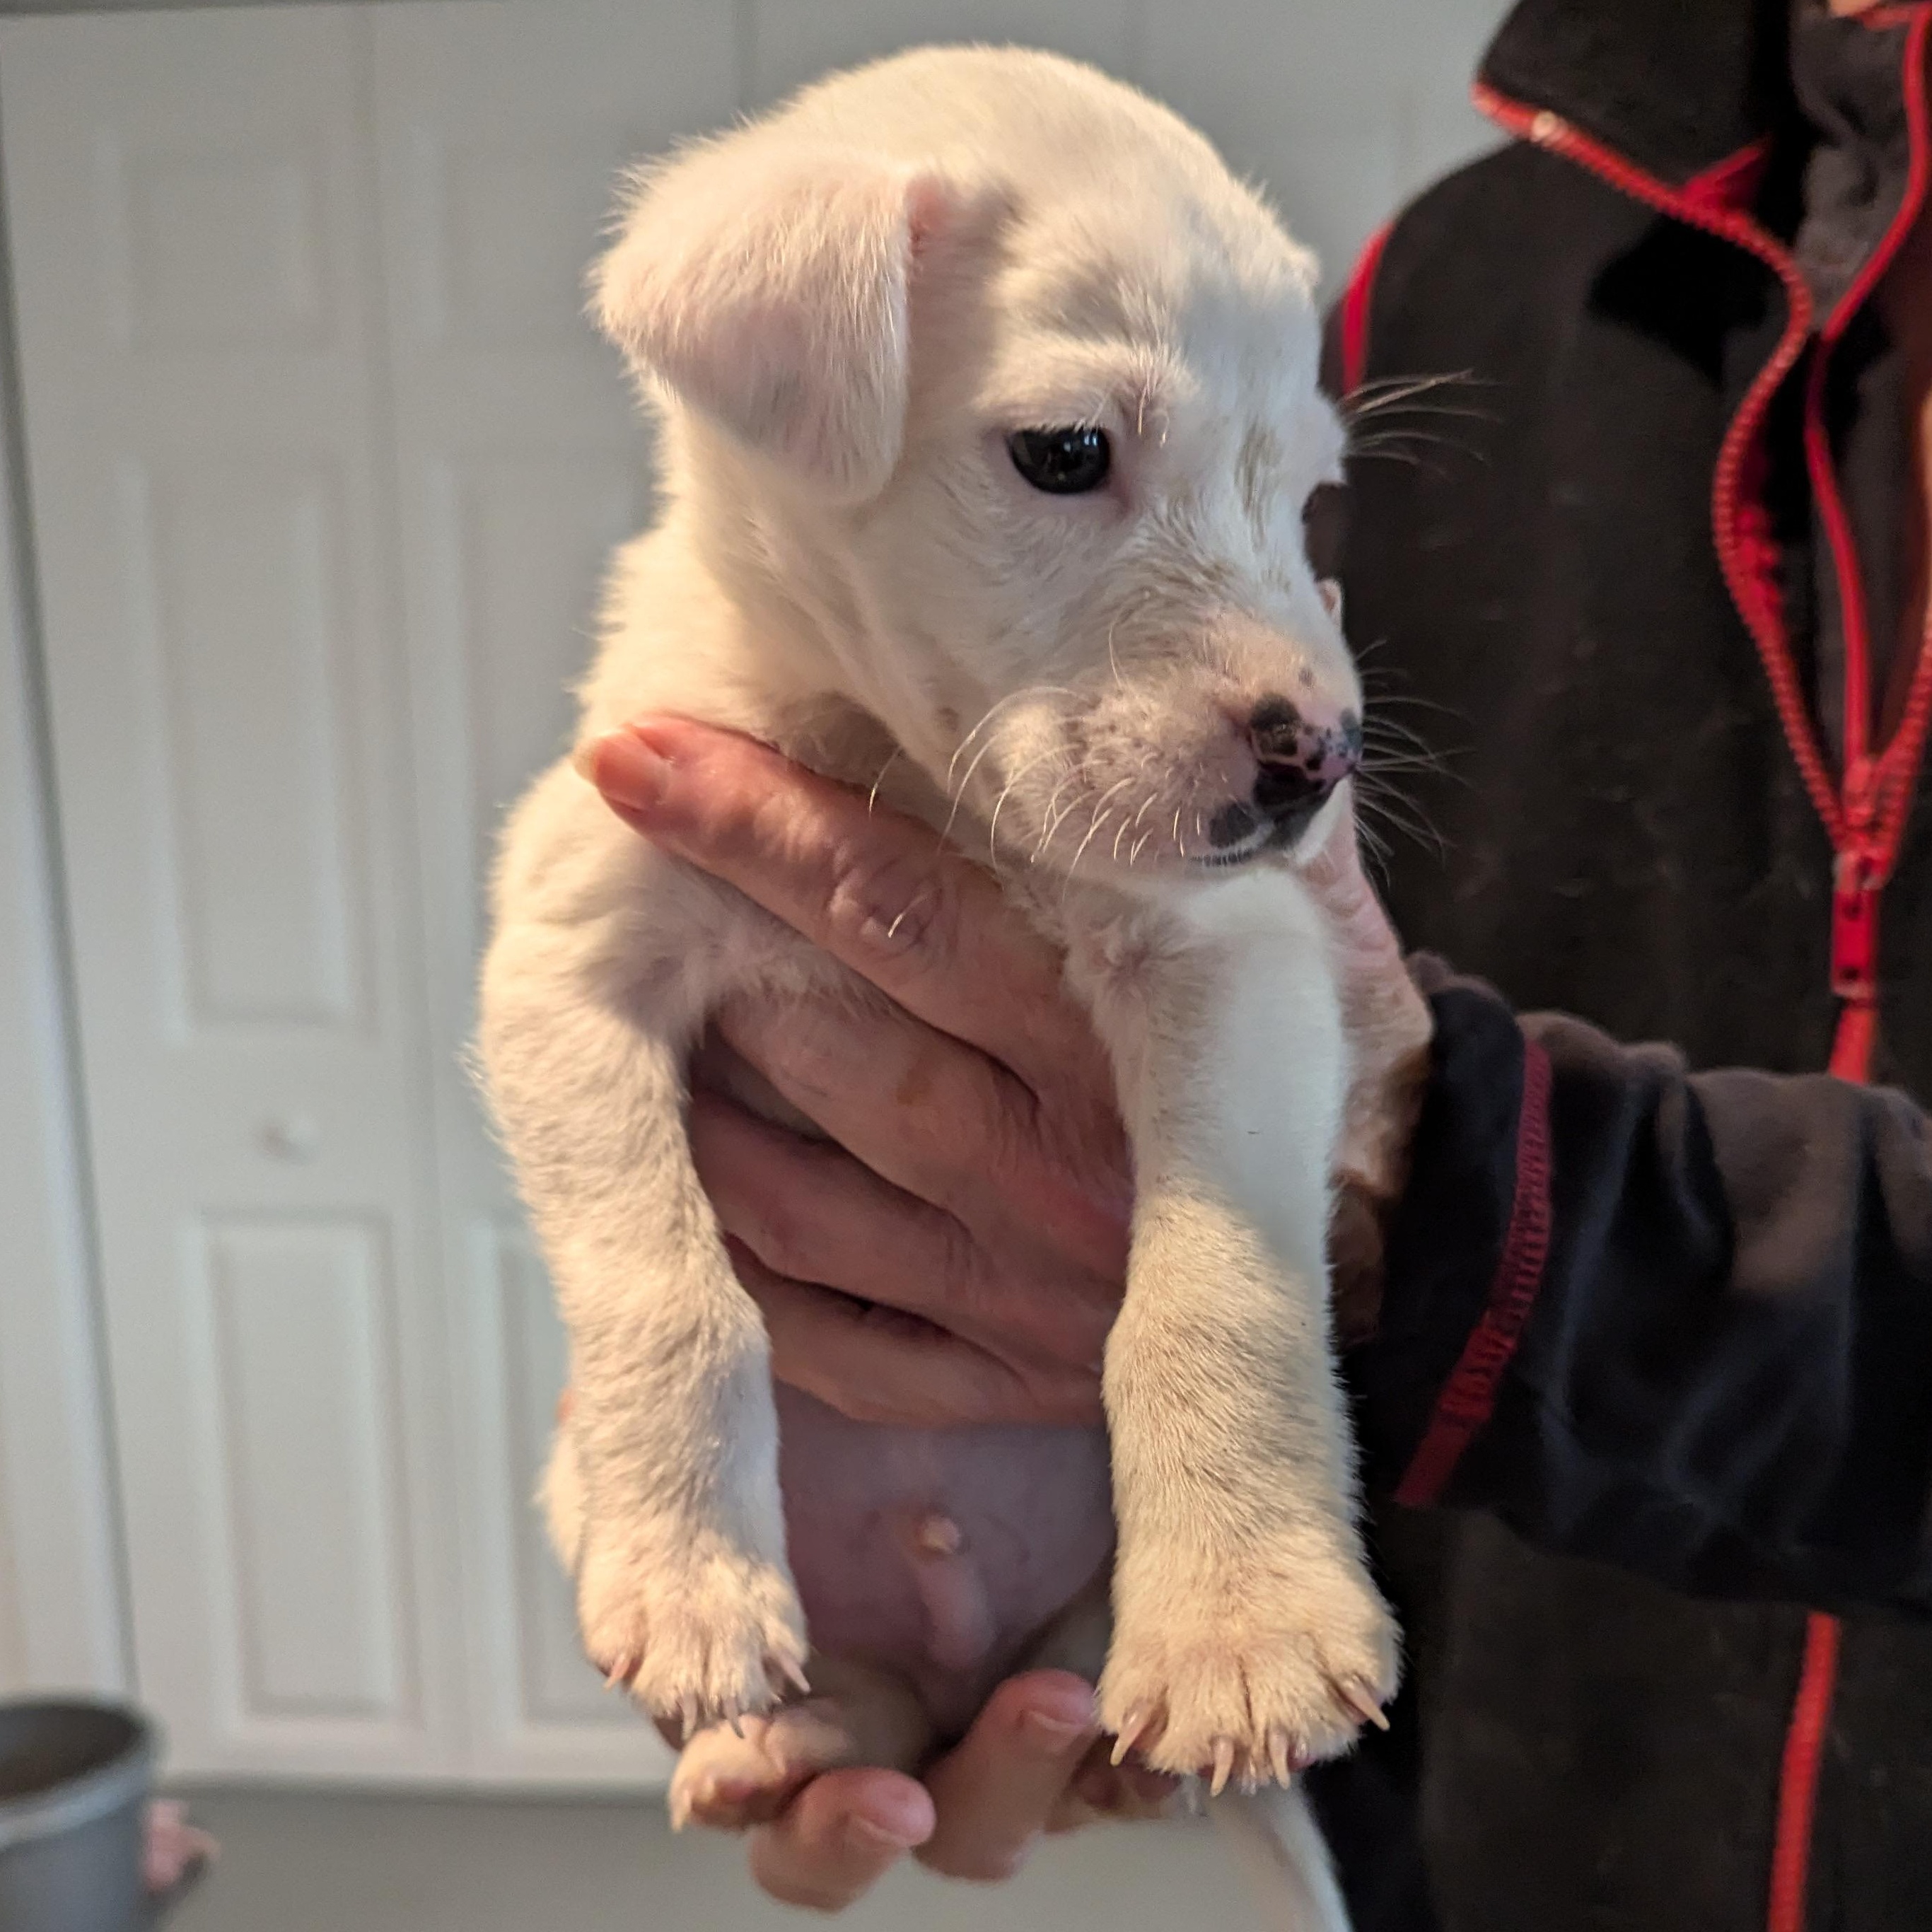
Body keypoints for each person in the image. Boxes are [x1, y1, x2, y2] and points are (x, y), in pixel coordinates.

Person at [576, 0, 1932, 1924]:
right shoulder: (1470, 266)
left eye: (1307, 511)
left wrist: (1451, 1233)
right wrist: (767, 1475)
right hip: (1482, 1819)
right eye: (1065, 450)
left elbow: (1329, 1028)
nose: (1307, 699)